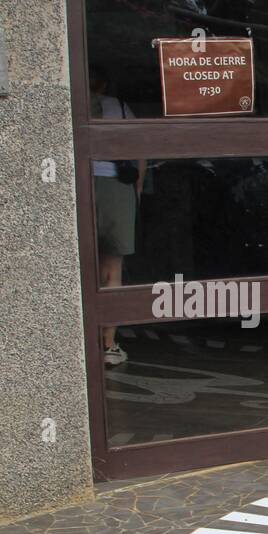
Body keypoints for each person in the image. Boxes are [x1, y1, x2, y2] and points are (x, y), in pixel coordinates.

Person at [89, 65, 145, 366]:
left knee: (83, 267)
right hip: (115, 186)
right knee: (112, 269)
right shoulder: (119, 108)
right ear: (105, 84)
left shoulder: (74, 105)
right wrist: (136, 192)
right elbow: (138, 152)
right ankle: (108, 344)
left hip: (81, 187)